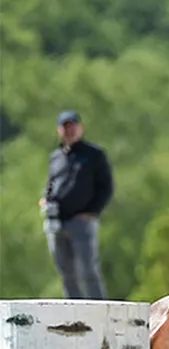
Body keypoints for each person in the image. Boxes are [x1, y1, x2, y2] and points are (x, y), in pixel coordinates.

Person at [39, 110, 114, 300]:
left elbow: (106, 187)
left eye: (73, 126)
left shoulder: (93, 155)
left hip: (81, 221)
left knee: (88, 270)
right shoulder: (56, 157)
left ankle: (98, 309)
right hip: (57, 222)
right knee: (66, 272)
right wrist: (45, 199)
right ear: (59, 130)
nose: (69, 131)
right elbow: (52, 183)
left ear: (80, 128)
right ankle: (74, 312)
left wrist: (92, 211)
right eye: (65, 127)